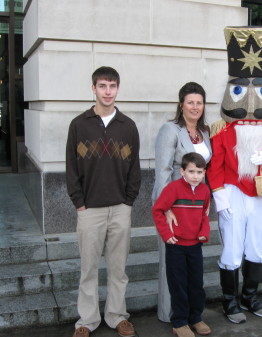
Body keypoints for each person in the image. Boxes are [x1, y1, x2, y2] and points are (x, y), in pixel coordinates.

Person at [207, 26, 262, 324]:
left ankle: (250, 295)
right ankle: (230, 301)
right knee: (231, 249)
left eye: (261, 89)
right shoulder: (222, 131)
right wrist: (220, 197)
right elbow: (215, 165)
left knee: (256, 245)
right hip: (232, 192)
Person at [66, 66, 141, 337]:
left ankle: (117, 316)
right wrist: (79, 202)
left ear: (118, 88)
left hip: (120, 208)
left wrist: (128, 201)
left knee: (118, 269)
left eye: (112, 86)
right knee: (88, 269)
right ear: (93, 88)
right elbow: (71, 168)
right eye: (102, 86)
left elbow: (135, 168)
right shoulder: (79, 124)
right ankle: (86, 320)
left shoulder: (128, 126)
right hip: (89, 209)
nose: (107, 91)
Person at [151, 82, 212, 323]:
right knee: (172, 264)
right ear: (181, 105)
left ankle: (191, 314)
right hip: (175, 208)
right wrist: (165, 209)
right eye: (190, 102)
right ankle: (170, 315)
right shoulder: (170, 130)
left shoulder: (204, 133)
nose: (195, 107)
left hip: (196, 208)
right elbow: (163, 171)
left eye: (199, 102)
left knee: (190, 267)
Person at [152, 152, 211, 337]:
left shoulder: (205, 191)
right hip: (176, 245)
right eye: (191, 171)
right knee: (178, 284)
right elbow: (158, 210)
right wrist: (166, 234)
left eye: (199, 172)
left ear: (204, 172)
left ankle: (195, 318)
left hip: (195, 246)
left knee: (196, 283)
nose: (195, 176)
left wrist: (203, 233)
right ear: (182, 171)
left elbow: (204, 215)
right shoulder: (173, 188)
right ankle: (179, 322)